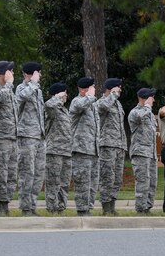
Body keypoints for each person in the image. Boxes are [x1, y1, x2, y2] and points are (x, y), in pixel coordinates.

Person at [0, 60, 18, 216]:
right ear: (2, 73)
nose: (12, 74)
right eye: (10, 71)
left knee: (11, 175)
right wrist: (9, 84)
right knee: (0, 174)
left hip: (12, 138)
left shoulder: (9, 90)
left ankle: (5, 205)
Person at [15, 62, 46, 216]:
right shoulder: (22, 88)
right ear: (32, 74)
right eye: (38, 73)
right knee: (27, 172)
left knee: (39, 173)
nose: (40, 76)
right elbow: (20, 98)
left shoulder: (37, 91)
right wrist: (32, 83)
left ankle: (32, 205)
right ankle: (25, 207)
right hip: (26, 136)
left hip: (39, 136)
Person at [95, 77, 127, 215]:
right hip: (107, 145)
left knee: (117, 178)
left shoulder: (118, 104)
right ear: (110, 88)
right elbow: (102, 108)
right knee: (107, 177)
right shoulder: (102, 102)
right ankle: (105, 207)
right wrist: (112, 95)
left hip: (119, 146)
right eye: (117, 87)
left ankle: (112, 206)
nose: (120, 89)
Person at [70, 77, 98, 216]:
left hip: (92, 149)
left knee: (92, 181)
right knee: (82, 180)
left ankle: (88, 207)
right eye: (91, 87)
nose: (94, 89)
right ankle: (82, 209)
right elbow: (80, 106)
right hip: (81, 149)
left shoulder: (91, 105)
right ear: (82, 89)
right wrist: (90, 96)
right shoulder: (77, 102)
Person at [128, 88, 157, 214]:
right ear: (145, 98)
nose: (154, 100)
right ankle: (140, 209)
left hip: (151, 153)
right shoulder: (135, 112)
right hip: (140, 152)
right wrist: (147, 106)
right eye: (152, 97)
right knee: (143, 181)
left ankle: (147, 207)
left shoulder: (149, 114)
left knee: (152, 182)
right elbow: (140, 117)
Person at [44, 82, 72, 214]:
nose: (66, 95)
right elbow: (48, 104)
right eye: (64, 92)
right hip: (54, 150)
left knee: (64, 182)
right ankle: (52, 208)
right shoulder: (52, 108)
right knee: (53, 181)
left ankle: (61, 207)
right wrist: (57, 97)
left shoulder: (64, 109)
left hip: (66, 151)